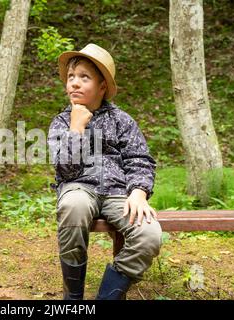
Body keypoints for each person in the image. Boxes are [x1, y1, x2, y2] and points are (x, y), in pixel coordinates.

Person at [47, 43, 162, 300]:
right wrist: (76, 129)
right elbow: (65, 171)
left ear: (102, 87)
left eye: (84, 77)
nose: (74, 83)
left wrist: (139, 192)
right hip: (77, 187)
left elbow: (139, 158)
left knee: (149, 234)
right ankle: (73, 299)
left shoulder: (121, 120)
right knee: (73, 207)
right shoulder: (61, 122)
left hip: (118, 193)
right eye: (71, 77)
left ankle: (106, 298)